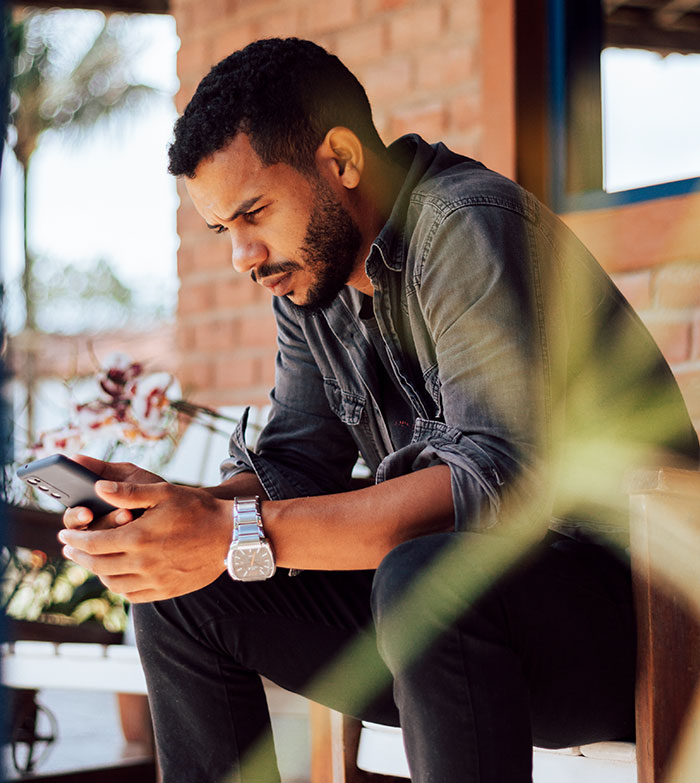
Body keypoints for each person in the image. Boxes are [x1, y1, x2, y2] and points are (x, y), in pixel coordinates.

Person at [60, 38, 698, 783]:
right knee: (181, 595)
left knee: (421, 577)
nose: (242, 255)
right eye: (222, 229)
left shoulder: (464, 223)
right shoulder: (310, 277)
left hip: (634, 623)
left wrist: (225, 531)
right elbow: (297, 462)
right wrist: (180, 510)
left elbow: (490, 487)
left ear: (341, 159)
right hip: (450, 636)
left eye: (253, 212)